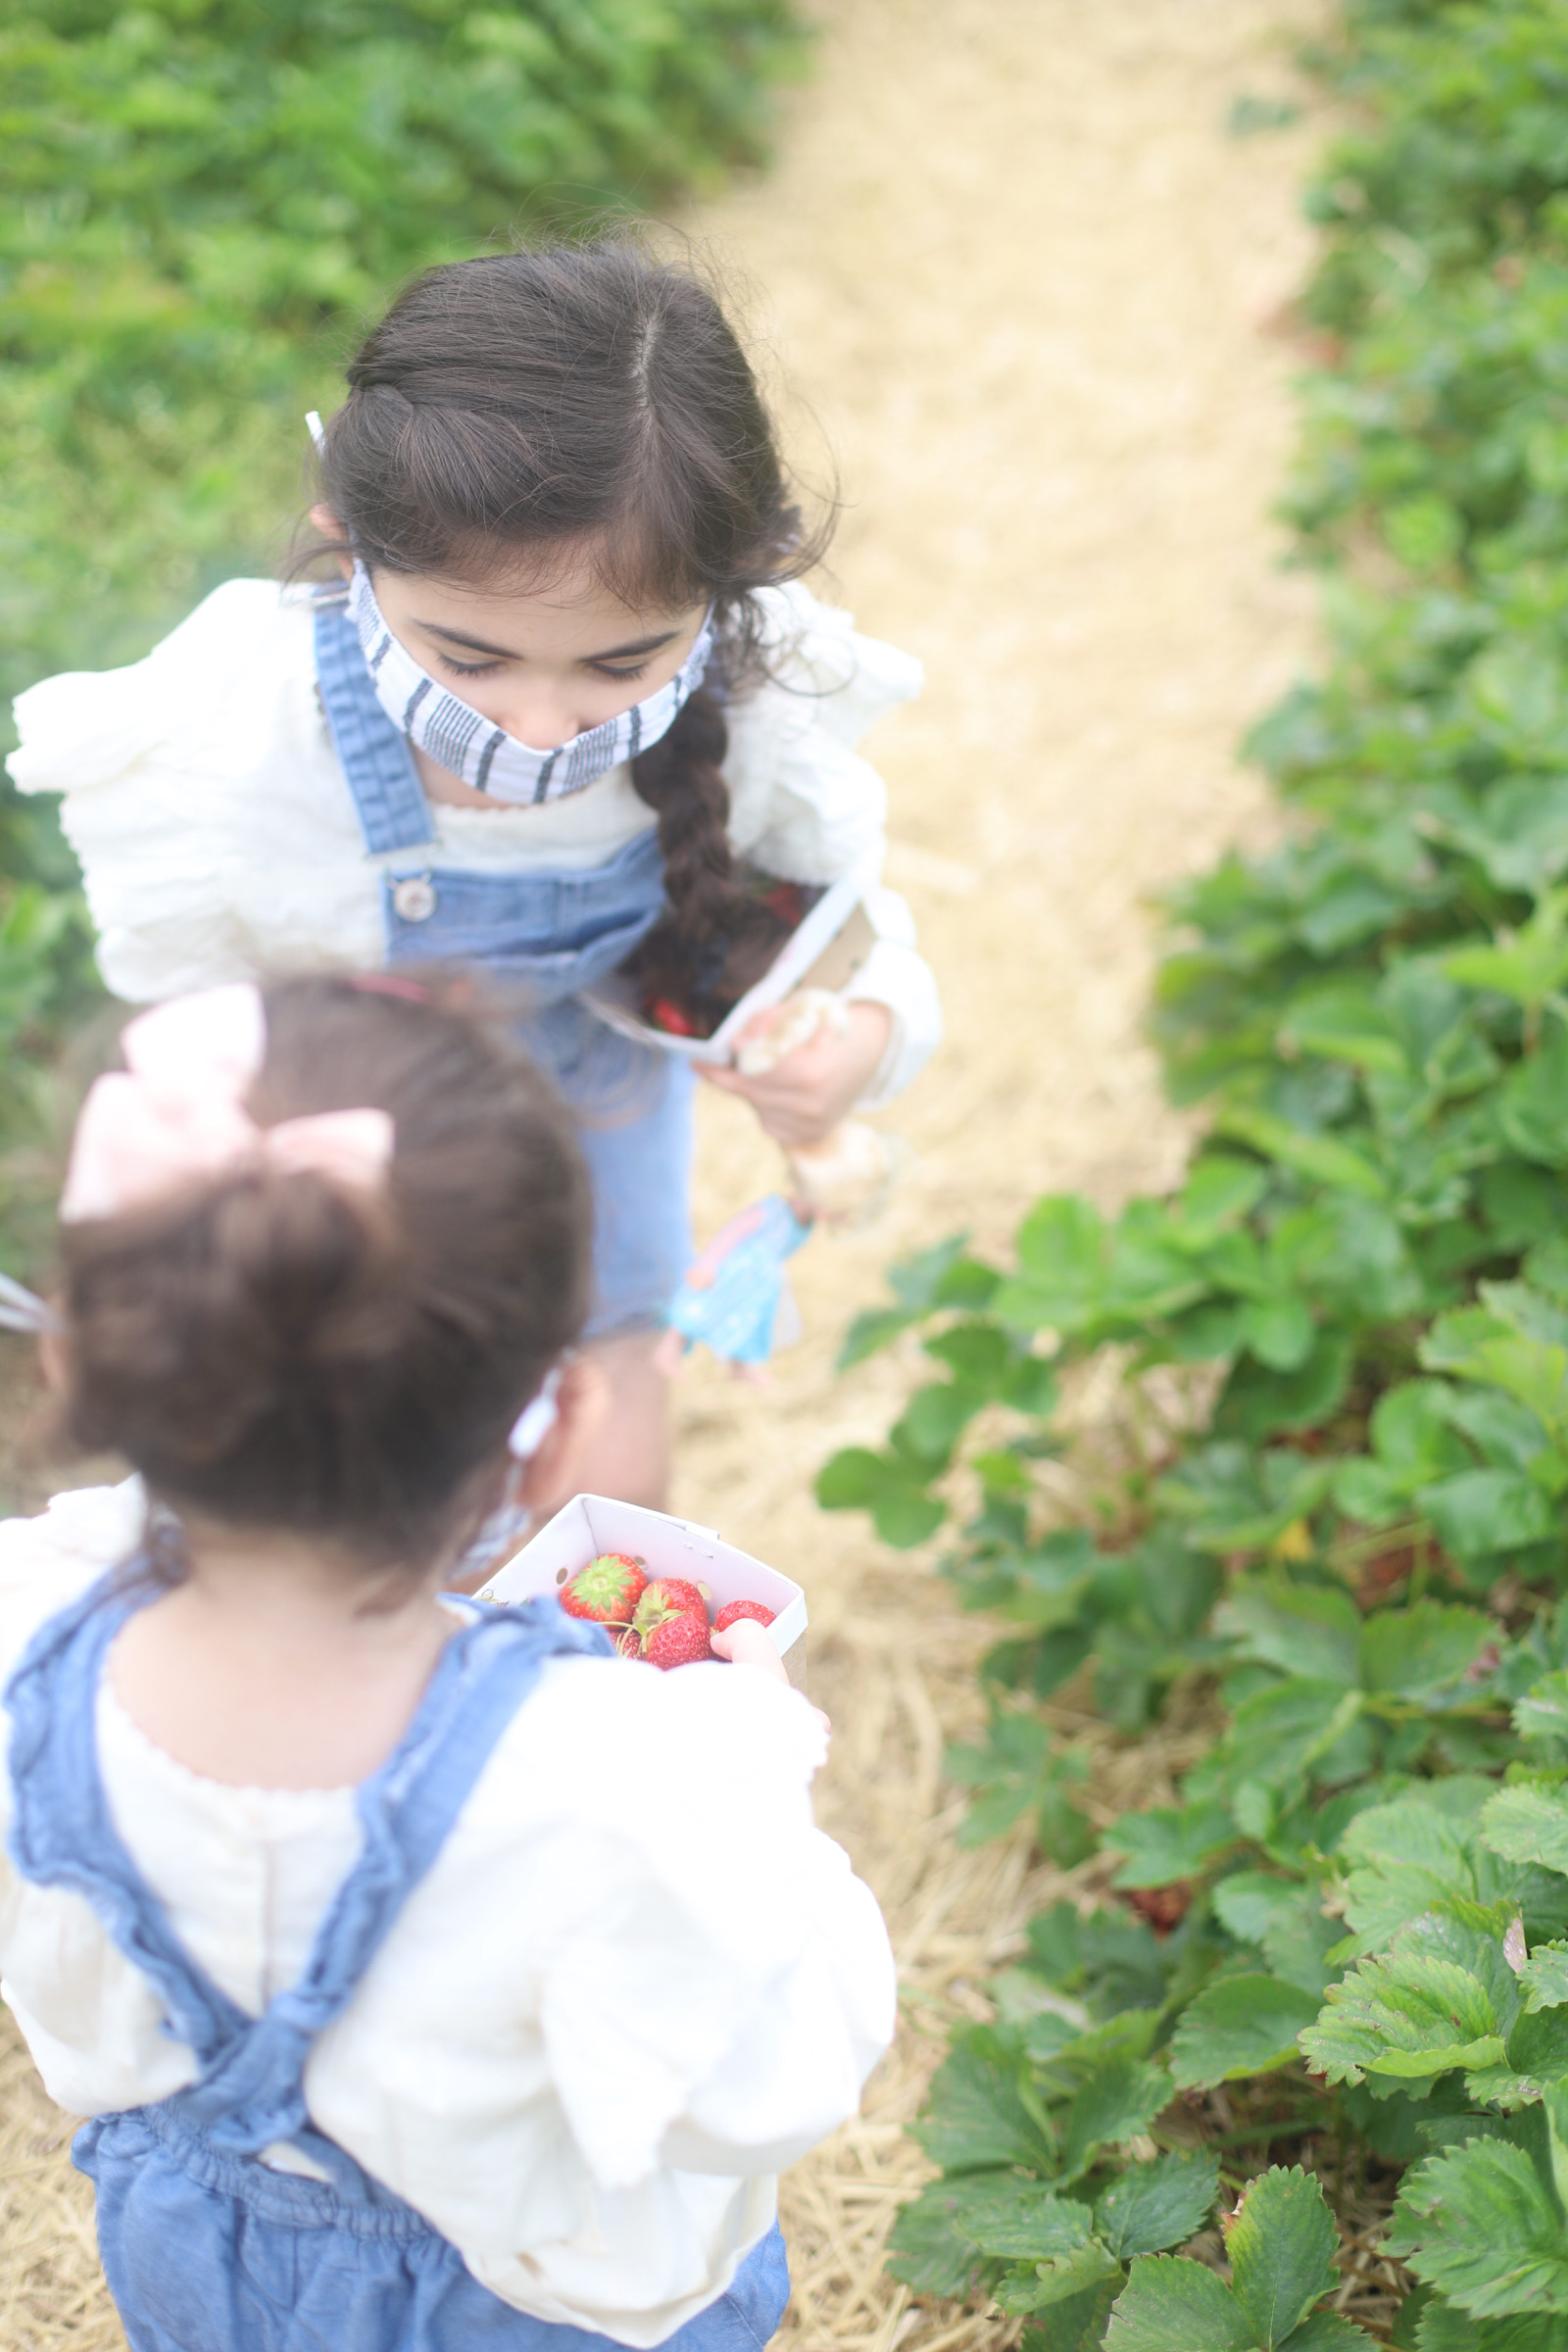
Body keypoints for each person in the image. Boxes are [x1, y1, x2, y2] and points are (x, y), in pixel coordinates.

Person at [0, 973, 896, 2352]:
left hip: (197, 2265)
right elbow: (783, 2079)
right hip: (519, 2313)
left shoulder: (25, 1640)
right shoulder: (614, 1793)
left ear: (74, 1361)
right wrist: (751, 1758)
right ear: (553, 1430)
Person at [7, 240, 942, 1513]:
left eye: (620, 667)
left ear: (727, 598)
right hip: (337, 1174)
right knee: (346, 1441)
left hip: (598, 1163)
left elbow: (840, 938)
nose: (543, 725)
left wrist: (860, 1039)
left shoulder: (757, 701)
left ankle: (578, 1664)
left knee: (613, 1374)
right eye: (469, 656)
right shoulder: (240, 730)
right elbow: (182, 1002)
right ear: (349, 544)